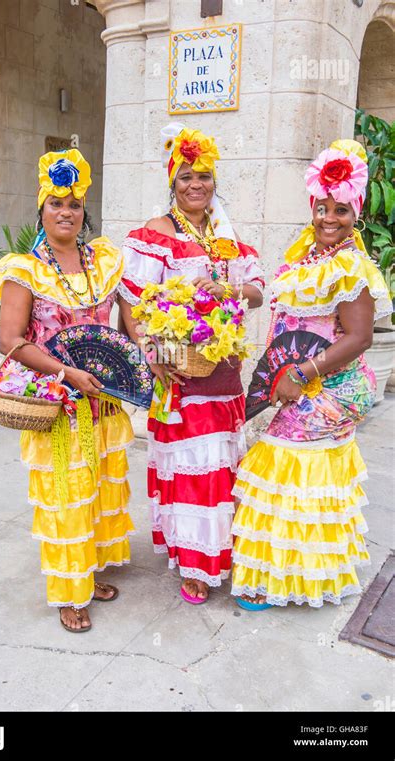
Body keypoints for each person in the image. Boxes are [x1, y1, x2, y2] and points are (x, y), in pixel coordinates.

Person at [231, 139, 392, 610]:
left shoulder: (349, 264)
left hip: (334, 386)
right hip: (307, 379)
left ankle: (283, 577)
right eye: (322, 207)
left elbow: (359, 338)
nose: (328, 218)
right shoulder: (309, 258)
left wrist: (298, 373)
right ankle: (296, 572)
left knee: (281, 460)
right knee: (293, 467)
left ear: (355, 213)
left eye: (341, 210)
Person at [119, 124, 265, 603]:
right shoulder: (154, 236)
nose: (195, 184)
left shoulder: (226, 235)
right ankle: (195, 564)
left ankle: (217, 549)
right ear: (172, 182)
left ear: (215, 182)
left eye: (203, 175)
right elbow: (132, 304)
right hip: (179, 374)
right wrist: (155, 357)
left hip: (223, 373)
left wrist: (230, 290)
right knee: (190, 471)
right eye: (185, 177)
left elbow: (258, 292)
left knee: (222, 467)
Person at [0, 149, 135, 632]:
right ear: (42, 210)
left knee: (95, 493)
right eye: (56, 203)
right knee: (65, 497)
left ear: (84, 211)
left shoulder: (106, 261)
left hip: (106, 403)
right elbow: (11, 341)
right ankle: (68, 593)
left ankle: (88, 573)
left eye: (74, 204)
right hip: (59, 405)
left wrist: (149, 362)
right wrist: (66, 372)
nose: (66, 212)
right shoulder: (24, 269)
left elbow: (131, 326)